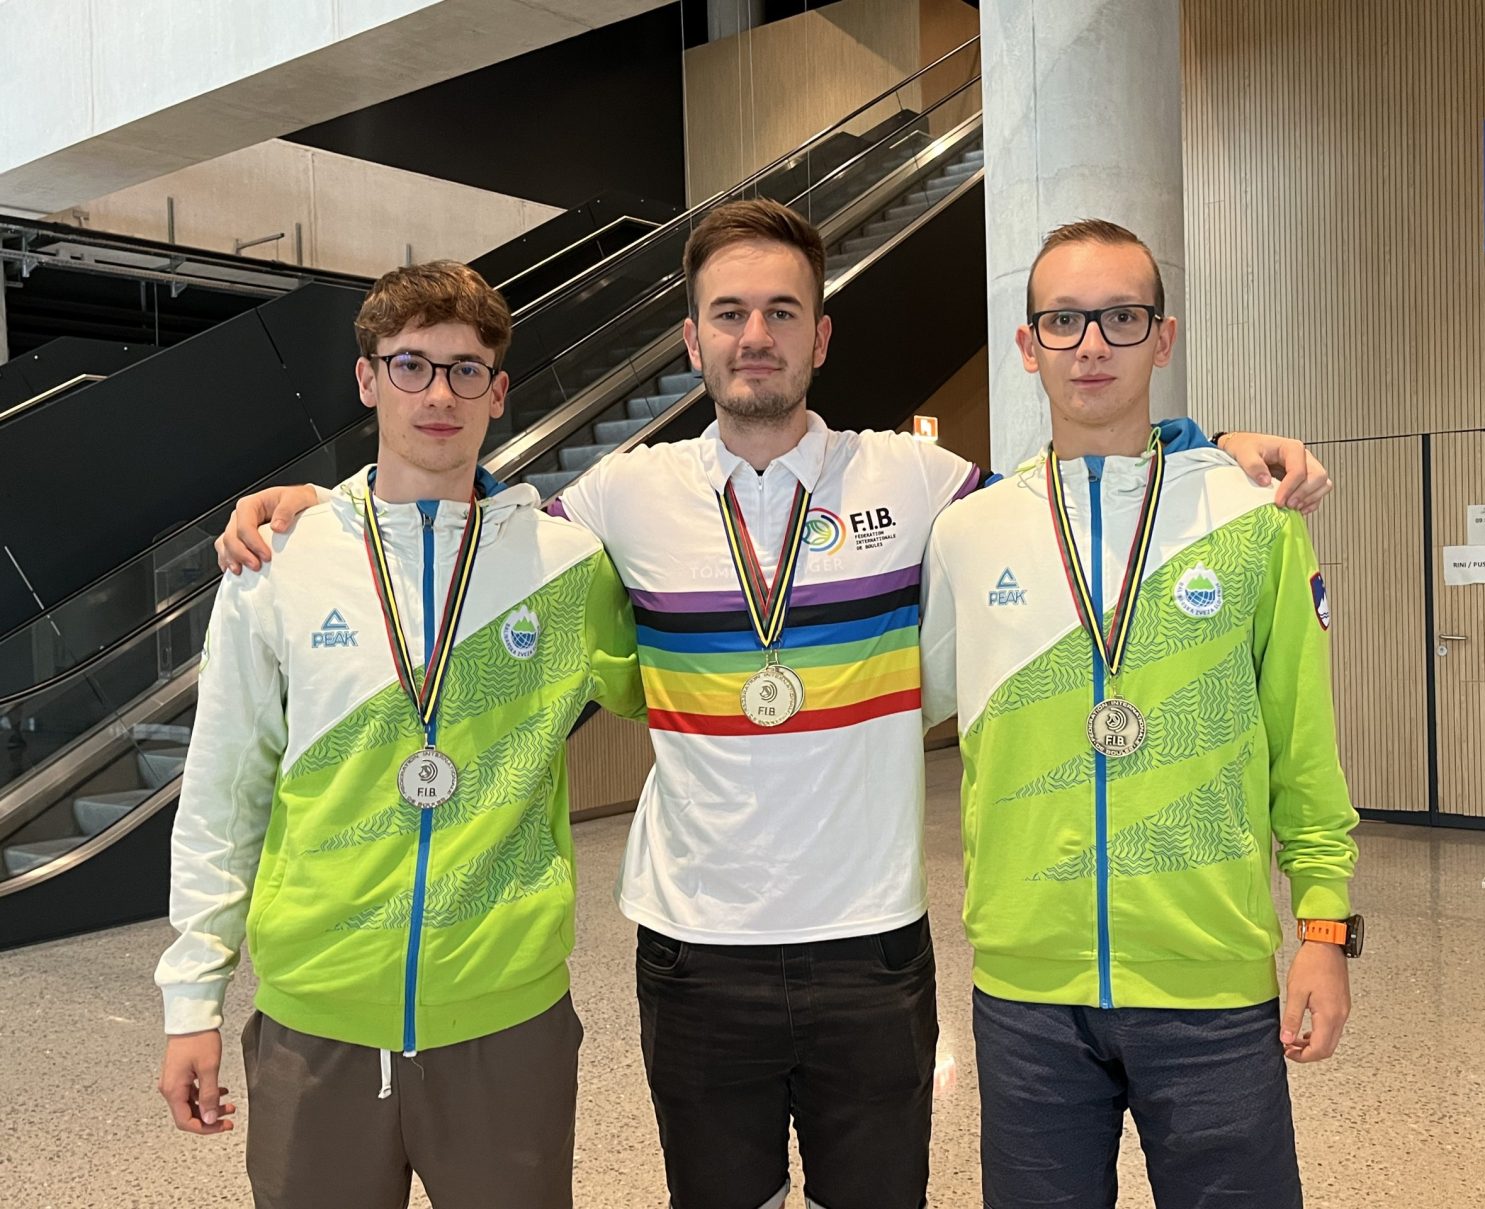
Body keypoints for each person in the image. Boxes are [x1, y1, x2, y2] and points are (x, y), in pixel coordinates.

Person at [213, 201, 1334, 1209]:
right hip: (697, 951)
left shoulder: (920, 483)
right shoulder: (623, 495)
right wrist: (334, 506)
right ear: (693, 339)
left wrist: (1209, 450)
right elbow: (476, 529)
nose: (756, 334)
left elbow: (1086, 499)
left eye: (783, 312)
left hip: (872, 947)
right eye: (730, 313)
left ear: (821, 337)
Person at [155, 260, 643, 1209]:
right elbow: (222, 791)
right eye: (410, 365)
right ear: (367, 379)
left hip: (506, 1022)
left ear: (498, 392)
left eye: (465, 370)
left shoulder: (569, 565)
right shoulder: (279, 559)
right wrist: (192, 999)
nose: (439, 394)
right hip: (316, 1021)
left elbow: (675, 699)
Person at [919, 219, 1361, 1208]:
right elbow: (899, 711)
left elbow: (1304, 745)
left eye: (1121, 318)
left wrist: (1324, 930)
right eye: (1063, 320)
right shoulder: (967, 532)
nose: (1091, 345)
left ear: (1163, 339)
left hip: (1212, 985)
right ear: (1027, 345)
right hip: (1028, 995)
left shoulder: (1255, 516)